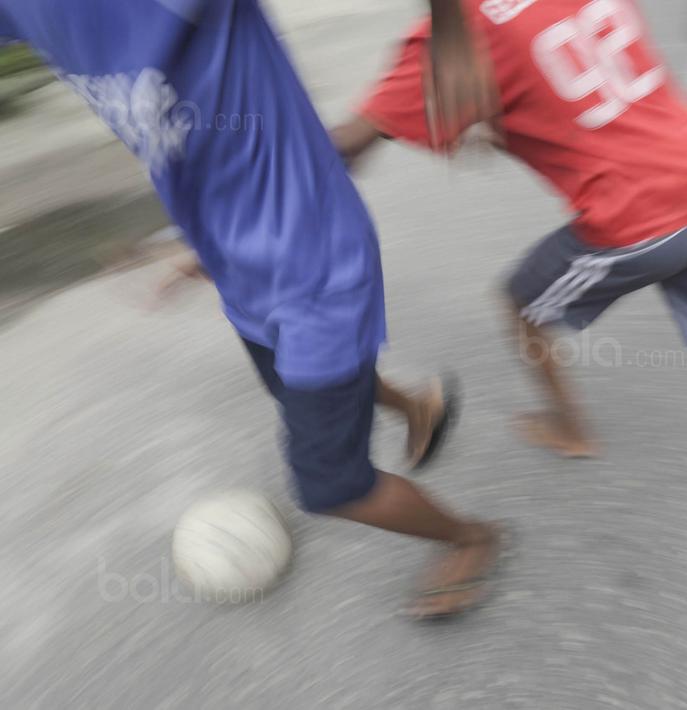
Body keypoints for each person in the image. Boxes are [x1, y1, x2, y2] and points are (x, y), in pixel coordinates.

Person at [0, 0, 503, 619]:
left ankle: (472, 537)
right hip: (236, 263)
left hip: (313, 260)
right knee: (295, 388)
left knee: (331, 485)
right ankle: (419, 406)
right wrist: (197, 249)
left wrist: (450, 29)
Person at [331, 0, 687, 512]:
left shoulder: (449, 39)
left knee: (522, 306)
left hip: (635, 224)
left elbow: (343, 146)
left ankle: (572, 429)